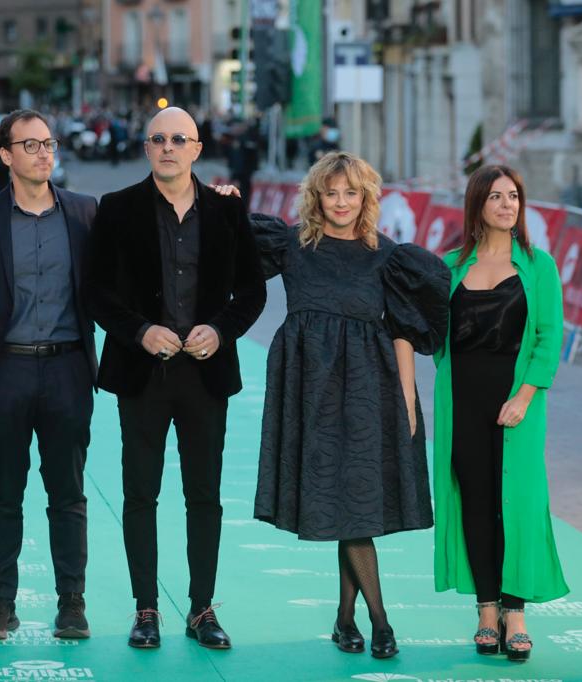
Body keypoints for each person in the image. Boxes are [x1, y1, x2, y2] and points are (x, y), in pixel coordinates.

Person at [239, 152, 449, 660]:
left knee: (354, 506)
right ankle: (356, 620)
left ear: (365, 198)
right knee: (340, 505)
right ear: (316, 196)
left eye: (350, 193)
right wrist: (223, 203)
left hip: (368, 385)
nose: (340, 202)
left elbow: (400, 328)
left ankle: (369, 620)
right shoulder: (291, 244)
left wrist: (407, 396)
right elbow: (225, 249)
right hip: (307, 384)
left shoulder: (389, 256)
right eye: (330, 193)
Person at [86, 107, 266, 650]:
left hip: (205, 376)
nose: (168, 146)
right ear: (146, 148)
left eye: (179, 139)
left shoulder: (227, 211)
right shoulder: (116, 210)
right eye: (158, 138)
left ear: (196, 148)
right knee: (140, 493)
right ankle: (146, 610)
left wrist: (221, 329)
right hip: (143, 373)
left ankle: (201, 609)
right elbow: (98, 292)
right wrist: (139, 332)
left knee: (203, 496)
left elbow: (253, 291)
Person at [0, 109, 98, 642]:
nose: (42, 153)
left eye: (48, 144)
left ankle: (72, 604)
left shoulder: (85, 214)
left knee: (68, 494)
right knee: (4, 494)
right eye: (29, 145)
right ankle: (0, 604)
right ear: (6, 155)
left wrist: (221, 205)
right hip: (4, 372)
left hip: (68, 370)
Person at [433, 164, 568, 663]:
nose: (508, 204)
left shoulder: (540, 265)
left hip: (517, 404)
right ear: (477, 206)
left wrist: (525, 396)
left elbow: (547, 339)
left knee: (518, 503)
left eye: (514, 196)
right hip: (462, 402)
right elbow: (433, 337)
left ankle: (516, 612)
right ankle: (486, 608)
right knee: (474, 501)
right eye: (496, 197)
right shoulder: (449, 266)